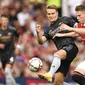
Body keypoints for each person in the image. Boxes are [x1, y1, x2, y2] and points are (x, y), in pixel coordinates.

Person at [36, 5, 78, 85]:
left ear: (57, 13)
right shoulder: (48, 30)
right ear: (47, 15)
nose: (51, 15)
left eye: (53, 13)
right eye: (49, 14)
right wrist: (38, 33)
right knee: (57, 82)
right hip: (62, 56)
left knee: (57, 54)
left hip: (71, 47)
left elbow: (78, 30)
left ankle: (49, 74)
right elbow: (41, 42)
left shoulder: (65, 19)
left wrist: (64, 35)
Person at [54, 4, 85, 85]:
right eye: (76, 16)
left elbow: (83, 31)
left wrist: (68, 28)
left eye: (79, 15)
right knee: (76, 76)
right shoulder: (81, 25)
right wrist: (62, 35)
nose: (77, 18)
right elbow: (76, 32)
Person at [0, 15, 19, 85]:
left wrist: (18, 47)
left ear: (8, 21)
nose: (4, 21)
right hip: (1, 55)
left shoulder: (12, 30)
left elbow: (19, 37)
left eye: (6, 20)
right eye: (3, 20)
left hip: (10, 54)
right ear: (1, 21)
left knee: (7, 71)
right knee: (7, 73)